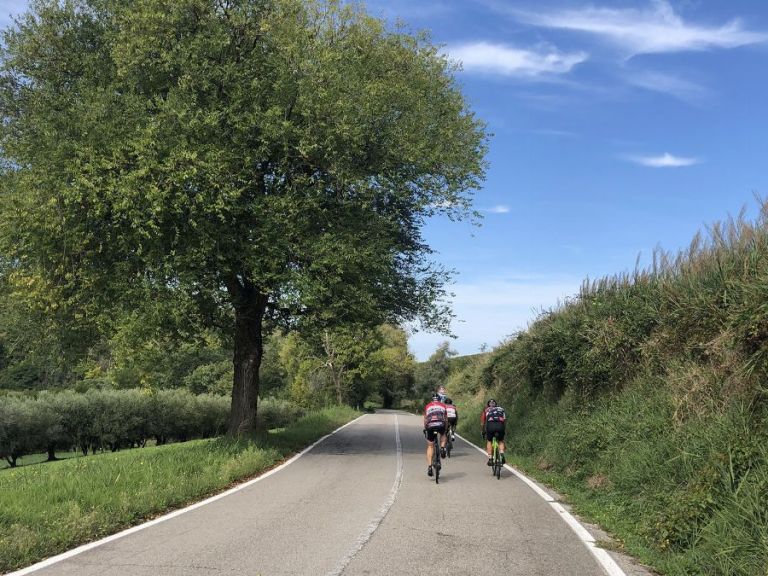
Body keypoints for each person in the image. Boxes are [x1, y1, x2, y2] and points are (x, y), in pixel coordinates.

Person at [423, 393, 448, 477]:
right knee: (443, 434)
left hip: (430, 425)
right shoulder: (443, 405)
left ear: (432, 399)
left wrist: (425, 428)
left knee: (430, 446)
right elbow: (446, 418)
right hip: (440, 424)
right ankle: (442, 448)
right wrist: (446, 428)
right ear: (439, 399)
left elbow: (425, 419)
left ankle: (430, 467)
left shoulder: (427, 406)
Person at [480, 399, 506, 466]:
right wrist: (503, 430)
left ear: (488, 405)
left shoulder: (486, 410)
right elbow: (504, 421)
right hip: (500, 426)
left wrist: (483, 431)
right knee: (501, 440)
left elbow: (483, 423)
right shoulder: (501, 409)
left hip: (490, 426)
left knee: (489, 441)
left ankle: (490, 459)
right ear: (496, 404)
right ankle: (501, 453)